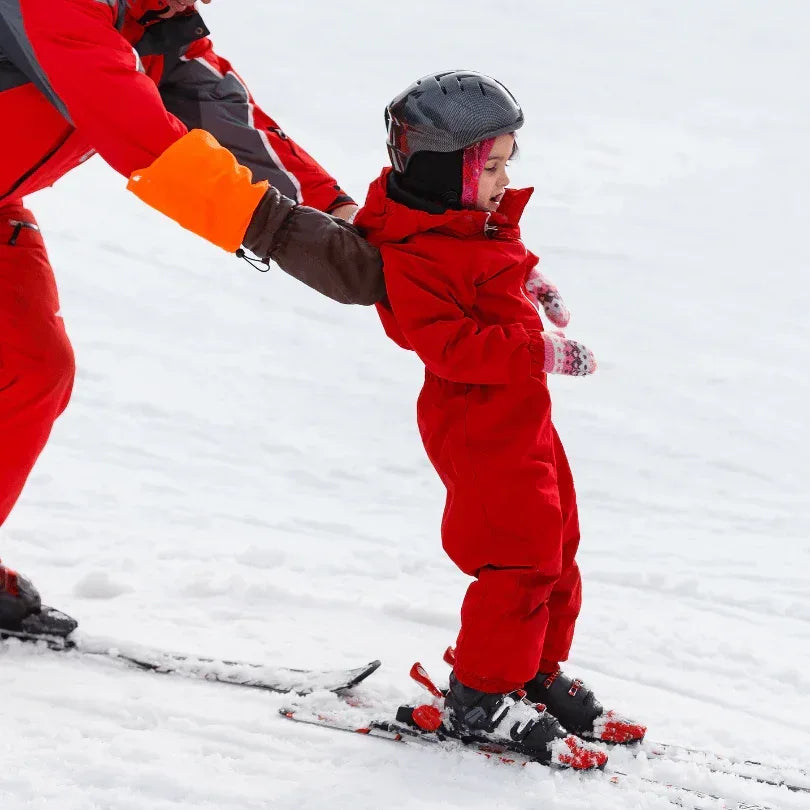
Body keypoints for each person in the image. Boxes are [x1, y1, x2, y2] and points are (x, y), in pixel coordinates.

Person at [0, 0, 384, 636]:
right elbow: (140, 135)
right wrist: (286, 237)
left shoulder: (159, 24)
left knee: (33, 368)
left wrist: (352, 224)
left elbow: (233, 125)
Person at [353, 71, 645, 766]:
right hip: (474, 419)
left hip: (521, 414)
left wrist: (530, 281)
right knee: (518, 554)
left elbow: (492, 258)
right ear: (442, 168)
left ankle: (532, 673)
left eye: (508, 162)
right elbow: (449, 345)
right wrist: (538, 349)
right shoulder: (413, 253)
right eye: (492, 165)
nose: (503, 177)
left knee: (559, 540)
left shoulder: (462, 221)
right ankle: (481, 696)